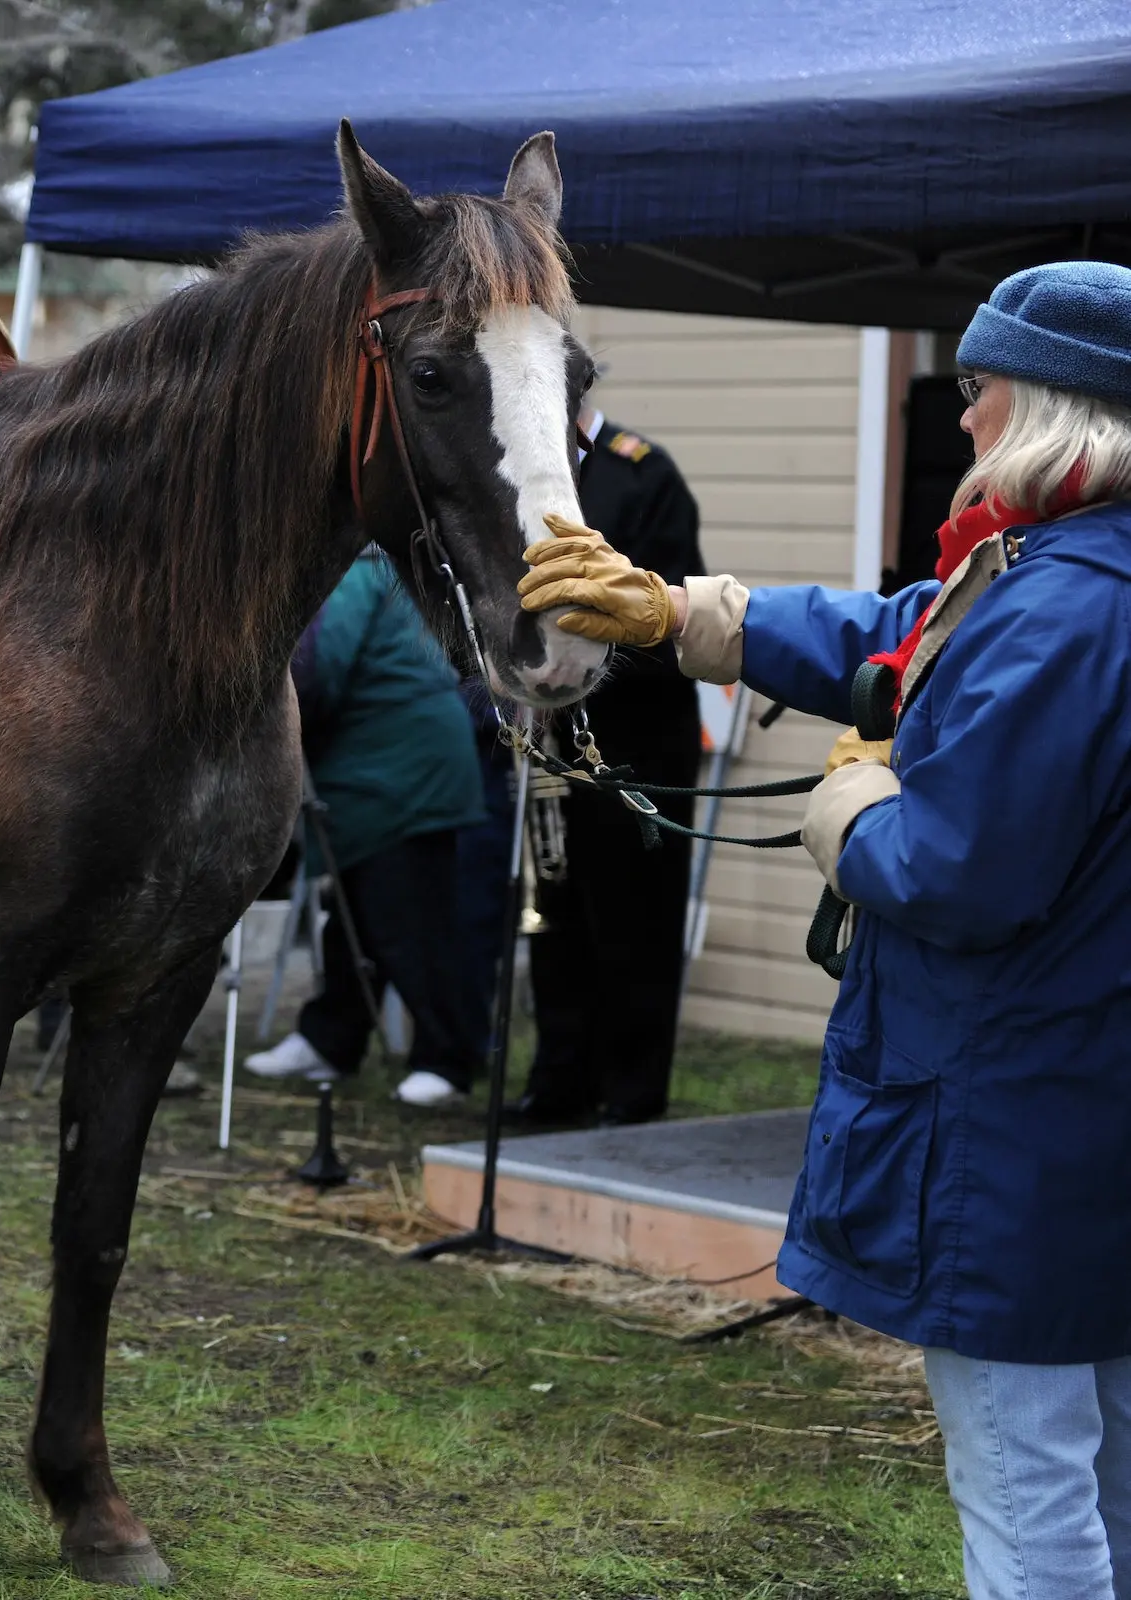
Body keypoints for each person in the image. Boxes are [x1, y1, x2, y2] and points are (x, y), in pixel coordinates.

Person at [519, 261, 1131, 1600]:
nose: (962, 418)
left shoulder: (1063, 609)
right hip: (1089, 1119)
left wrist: (853, 812)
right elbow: (912, 631)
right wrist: (694, 617)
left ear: (1058, 414)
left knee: (1030, 1506)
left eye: (982, 391)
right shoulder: (1074, 576)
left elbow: (960, 875)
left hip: (1016, 1127)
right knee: (1105, 1483)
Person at [519, 403, 706, 1125]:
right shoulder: (524, 477)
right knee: (552, 910)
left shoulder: (639, 474)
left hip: (634, 740)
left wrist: (572, 667)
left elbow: (670, 622)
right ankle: (558, 1082)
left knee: (633, 921)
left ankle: (630, 1094)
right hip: (547, 745)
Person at [246, 547, 487, 1106]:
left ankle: (449, 1059)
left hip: (403, 772)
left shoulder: (351, 568)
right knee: (354, 914)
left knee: (411, 923)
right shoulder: (363, 566)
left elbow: (316, 667)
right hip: (379, 772)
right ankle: (330, 1037)